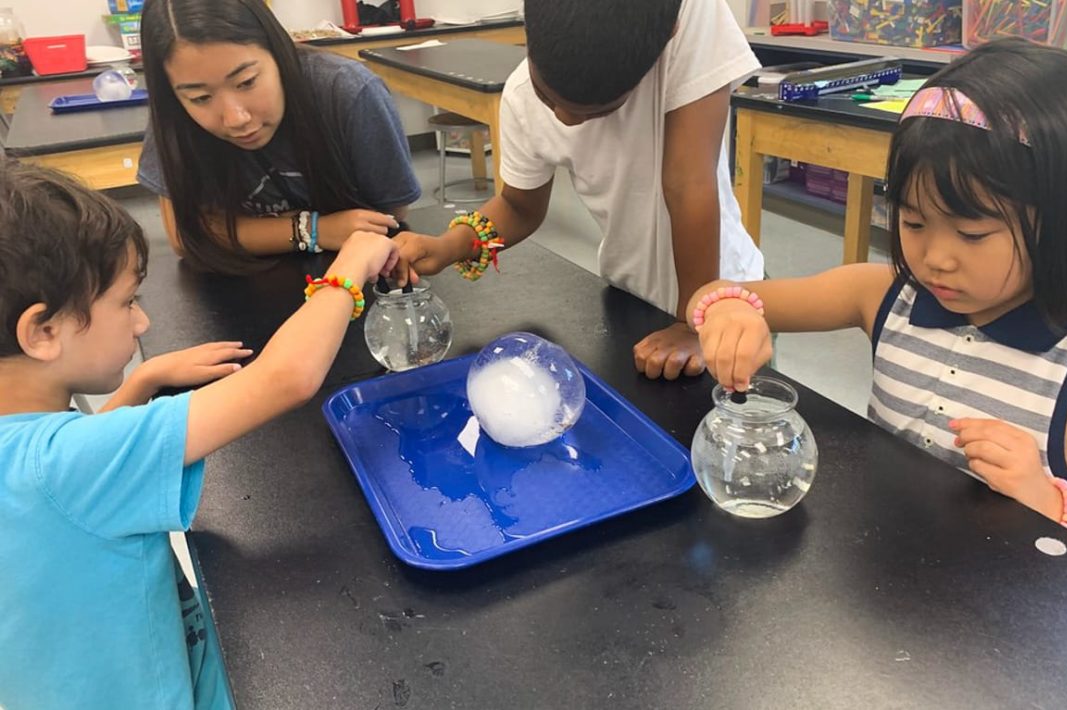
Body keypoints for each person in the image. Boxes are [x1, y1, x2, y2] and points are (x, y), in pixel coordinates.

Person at [0, 159, 409, 707]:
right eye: (127, 302)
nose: (142, 323)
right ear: (44, 331)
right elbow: (285, 378)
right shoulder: (69, 466)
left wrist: (143, 378)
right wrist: (349, 267)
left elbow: (58, 473)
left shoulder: (32, 455)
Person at [686, 39, 1067, 544]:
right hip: (886, 573)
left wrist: (1051, 501)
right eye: (913, 220)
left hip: (1003, 606)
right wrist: (731, 311)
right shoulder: (883, 295)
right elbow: (712, 294)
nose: (935, 258)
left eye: (972, 234)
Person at [396, 0, 764, 380]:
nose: (565, 118)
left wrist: (696, 320)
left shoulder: (687, 15)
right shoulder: (521, 95)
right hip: (630, 298)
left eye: (596, 112)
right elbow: (519, 207)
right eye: (548, 96)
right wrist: (447, 246)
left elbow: (687, 183)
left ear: (667, 36)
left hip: (724, 303)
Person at [137, 0, 421, 273]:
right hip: (238, 289)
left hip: (358, 276)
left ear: (277, 50)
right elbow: (185, 235)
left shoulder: (348, 91)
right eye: (200, 98)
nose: (237, 119)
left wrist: (246, 230)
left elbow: (387, 217)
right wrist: (315, 229)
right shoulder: (173, 116)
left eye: (247, 82)